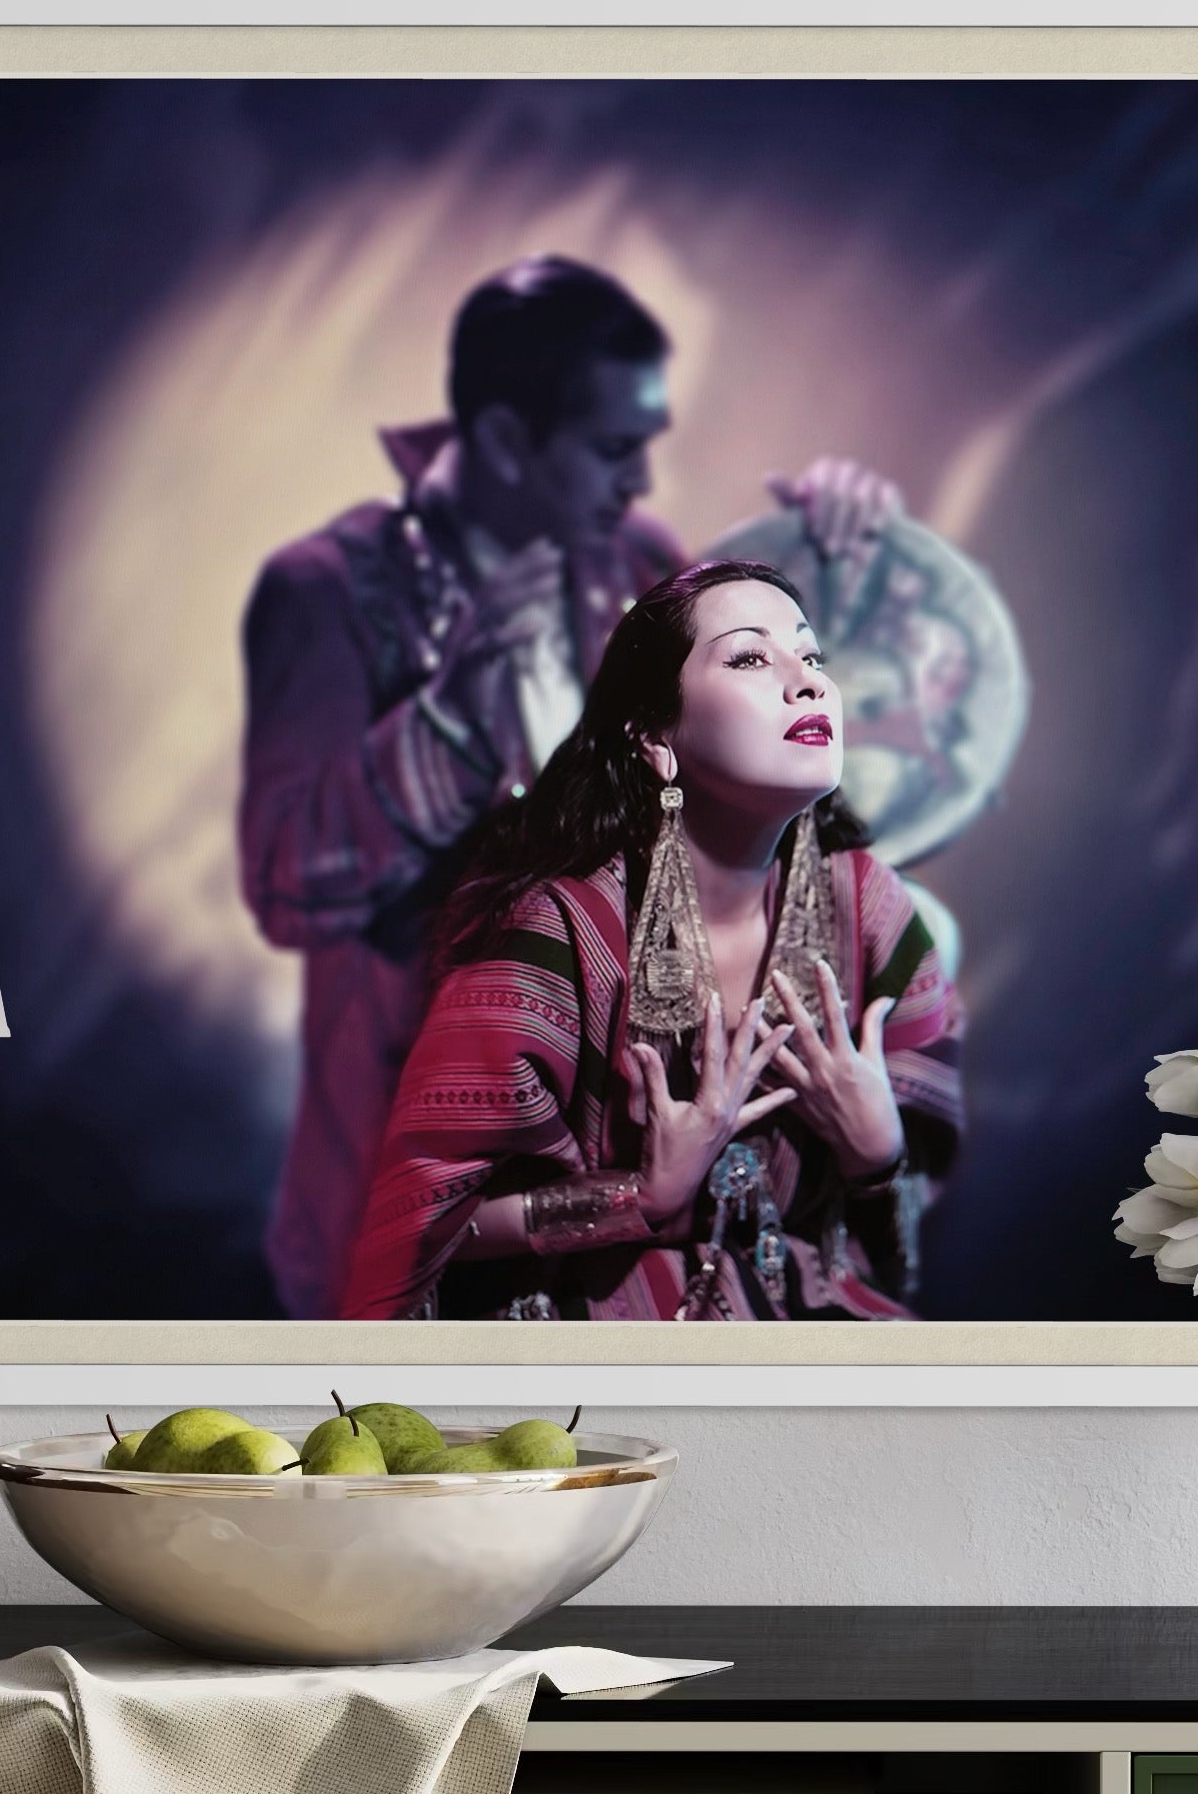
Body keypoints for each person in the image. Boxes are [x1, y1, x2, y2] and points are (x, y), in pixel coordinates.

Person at [240, 257, 902, 1318]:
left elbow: (738, 718)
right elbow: (285, 886)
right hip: (417, 1122)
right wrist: (450, 720)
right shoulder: (329, 589)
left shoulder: (624, 552)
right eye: (612, 449)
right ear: (505, 439)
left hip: (629, 1130)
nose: (643, 484)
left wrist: (837, 559)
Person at [338, 560, 964, 1322]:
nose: (808, 683)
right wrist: (640, 1197)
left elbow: (901, 1225)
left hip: (805, 1344)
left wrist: (877, 1153)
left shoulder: (872, 911)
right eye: (749, 657)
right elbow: (419, 1228)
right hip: (590, 1370)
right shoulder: (556, 932)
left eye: (812, 656)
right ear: (656, 738)